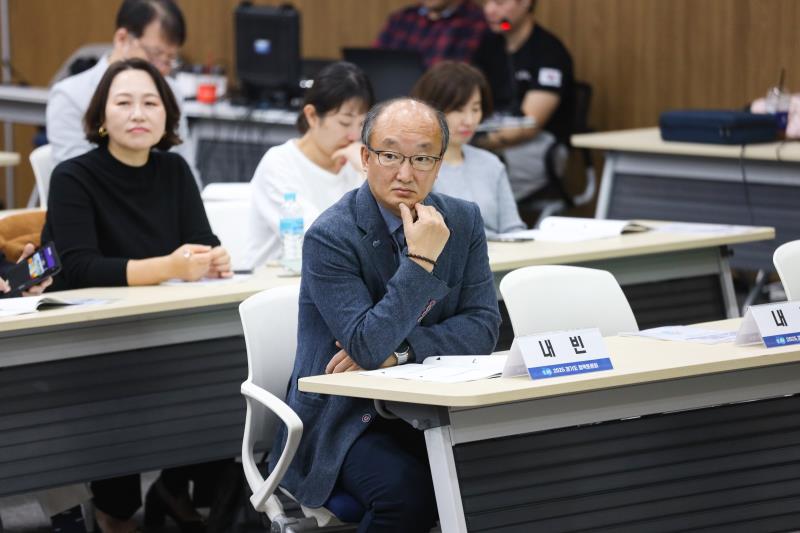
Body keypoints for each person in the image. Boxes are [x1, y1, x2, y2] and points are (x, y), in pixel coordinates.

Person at [271, 98, 501, 532]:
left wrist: (402, 352)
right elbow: (365, 344)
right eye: (391, 155)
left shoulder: (463, 221)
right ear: (365, 157)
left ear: (438, 165)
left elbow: (483, 327)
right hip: (346, 419)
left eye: (421, 158)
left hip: (434, 408)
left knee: (500, 474)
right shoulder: (330, 235)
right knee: (406, 496)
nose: (404, 172)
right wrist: (420, 262)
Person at [42, 58, 232, 533]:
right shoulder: (72, 176)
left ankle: (178, 484)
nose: (138, 113)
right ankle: (116, 509)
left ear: (168, 115)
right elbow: (79, 268)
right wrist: (171, 266)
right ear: (101, 118)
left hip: (164, 327)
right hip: (88, 338)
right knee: (123, 399)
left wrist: (214, 260)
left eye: (151, 103)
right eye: (123, 103)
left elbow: (201, 242)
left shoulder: (174, 171)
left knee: (227, 378)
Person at [244, 61, 374, 268]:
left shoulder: (357, 164)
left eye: (361, 124)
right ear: (312, 116)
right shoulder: (279, 164)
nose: (354, 135)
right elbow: (320, 240)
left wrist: (370, 173)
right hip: (275, 289)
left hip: (339, 282)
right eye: (344, 122)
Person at [46, 0, 195, 179]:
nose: (162, 68)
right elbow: (75, 180)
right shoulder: (71, 96)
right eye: (155, 54)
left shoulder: (171, 91)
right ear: (122, 39)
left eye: (170, 59)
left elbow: (186, 169)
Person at [472, 0, 574, 202]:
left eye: (500, 2)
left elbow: (529, 125)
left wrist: (473, 141)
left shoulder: (549, 51)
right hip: (489, 136)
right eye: (487, 2)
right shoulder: (489, 45)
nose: (489, 10)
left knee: (480, 179)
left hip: (537, 144)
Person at [411, 61, 526, 236]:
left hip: (500, 259)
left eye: (475, 109)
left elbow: (513, 229)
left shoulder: (491, 164)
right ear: (430, 109)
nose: (469, 120)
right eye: (458, 109)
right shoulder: (413, 167)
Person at [374, 0, 487, 68]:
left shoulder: (478, 22)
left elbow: (462, 78)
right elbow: (376, 65)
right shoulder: (401, 18)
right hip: (395, 100)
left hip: (445, 103)